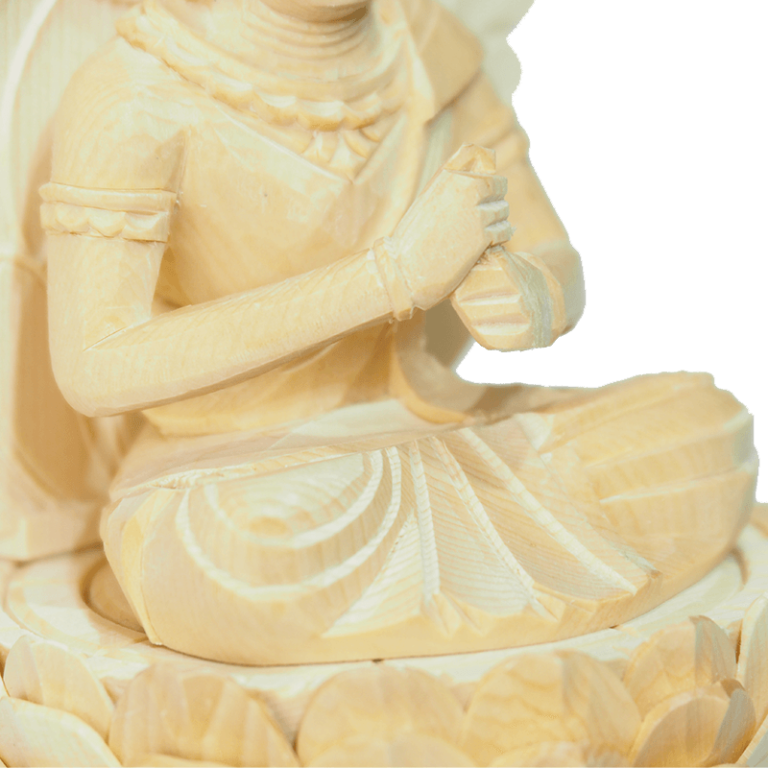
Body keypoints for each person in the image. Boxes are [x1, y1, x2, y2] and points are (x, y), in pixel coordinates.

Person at [41, 0, 756, 664]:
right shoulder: (130, 97)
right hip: (242, 468)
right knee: (242, 552)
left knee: (705, 426)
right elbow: (95, 363)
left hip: (429, 427)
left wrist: (532, 295)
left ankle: (448, 594)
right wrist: (391, 276)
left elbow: (551, 255)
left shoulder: (424, 49)